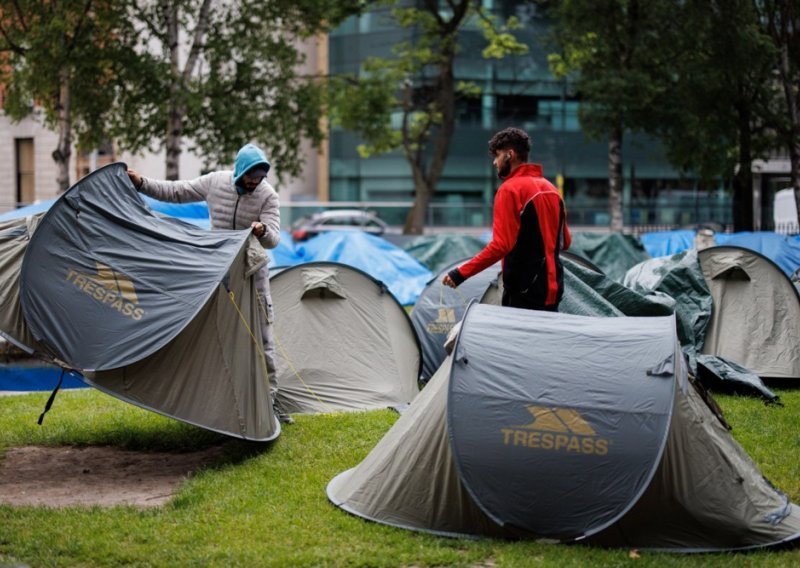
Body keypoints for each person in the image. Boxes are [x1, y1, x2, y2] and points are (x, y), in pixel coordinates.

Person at [127, 143, 293, 423]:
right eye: (252, 177)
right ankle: (219, 399)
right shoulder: (215, 182)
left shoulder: (267, 196)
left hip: (252, 275)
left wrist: (263, 231)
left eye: (260, 178)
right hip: (218, 271)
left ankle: (270, 401)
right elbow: (177, 191)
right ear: (240, 171)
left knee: (262, 338)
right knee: (216, 334)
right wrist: (141, 183)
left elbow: (274, 238)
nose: (255, 182)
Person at [443, 127, 571, 311]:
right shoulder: (551, 189)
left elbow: (501, 246)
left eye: (497, 156)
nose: (495, 162)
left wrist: (460, 274)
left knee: (519, 340)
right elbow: (565, 242)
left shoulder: (510, 190)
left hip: (523, 290)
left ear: (509, 155)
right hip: (554, 288)